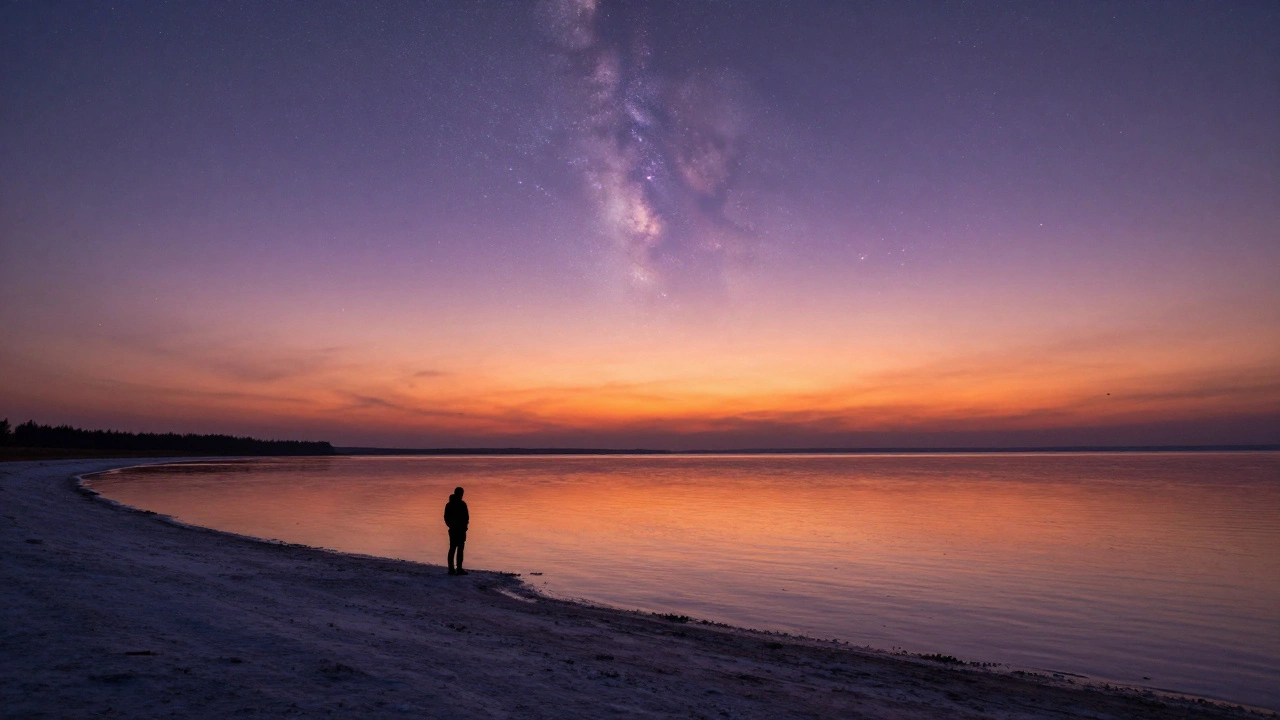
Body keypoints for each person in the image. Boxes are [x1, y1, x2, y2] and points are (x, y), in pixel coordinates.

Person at [444, 486, 469, 575]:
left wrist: (465, 526)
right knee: (454, 549)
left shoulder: (461, 504)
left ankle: (457, 568)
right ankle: (452, 569)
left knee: (458, 549)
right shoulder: (453, 504)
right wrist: (451, 526)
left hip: (460, 530)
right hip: (455, 530)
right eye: (461, 493)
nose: (462, 495)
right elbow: (446, 518)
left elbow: (466, 517)